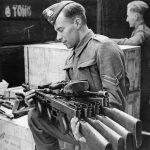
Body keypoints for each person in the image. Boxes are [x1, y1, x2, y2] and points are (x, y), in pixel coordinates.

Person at [24, 1, 129, 150]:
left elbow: (115, 104)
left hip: (98, 128)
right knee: (36, 116)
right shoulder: (72, 56)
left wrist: (84, 123)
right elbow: (69, 97)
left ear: (77, 22)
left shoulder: (104, 47)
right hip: (76, 123)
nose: (58, 37)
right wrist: (41, 101)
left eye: (61, 29)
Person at [112, 0, 150, 130]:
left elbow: (134, 42)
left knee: (141, 110)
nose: (127, 19)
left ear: (136, 16)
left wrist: (109, 41)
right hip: (143, 76)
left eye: (128, 15)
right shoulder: (140, 29)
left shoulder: (142, 31)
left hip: (145, 77)